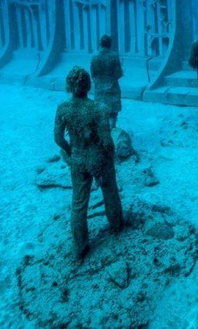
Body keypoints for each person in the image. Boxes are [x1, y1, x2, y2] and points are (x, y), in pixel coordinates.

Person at [54, 66, 123, 261]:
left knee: (78, 203)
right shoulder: (98, 109)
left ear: (69, 86)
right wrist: (110, 157)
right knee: (109, 191)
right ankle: (117, 226)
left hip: (77, 159)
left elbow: (58, 139)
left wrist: (72, 152)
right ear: (88, 85)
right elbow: (107, 142)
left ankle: (80, 246)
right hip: (98, 159)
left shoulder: (63, 109)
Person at [90, 35, 123, 129]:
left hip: (99, 89)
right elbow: (118, 74)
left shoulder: (94, 57)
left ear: (100, 44)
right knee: (113, 113)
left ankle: (102, 134)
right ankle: (112, 133)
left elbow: (93, 74)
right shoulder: (114, 56)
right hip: (112, 88)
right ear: (110, 44)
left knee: (101, 112)